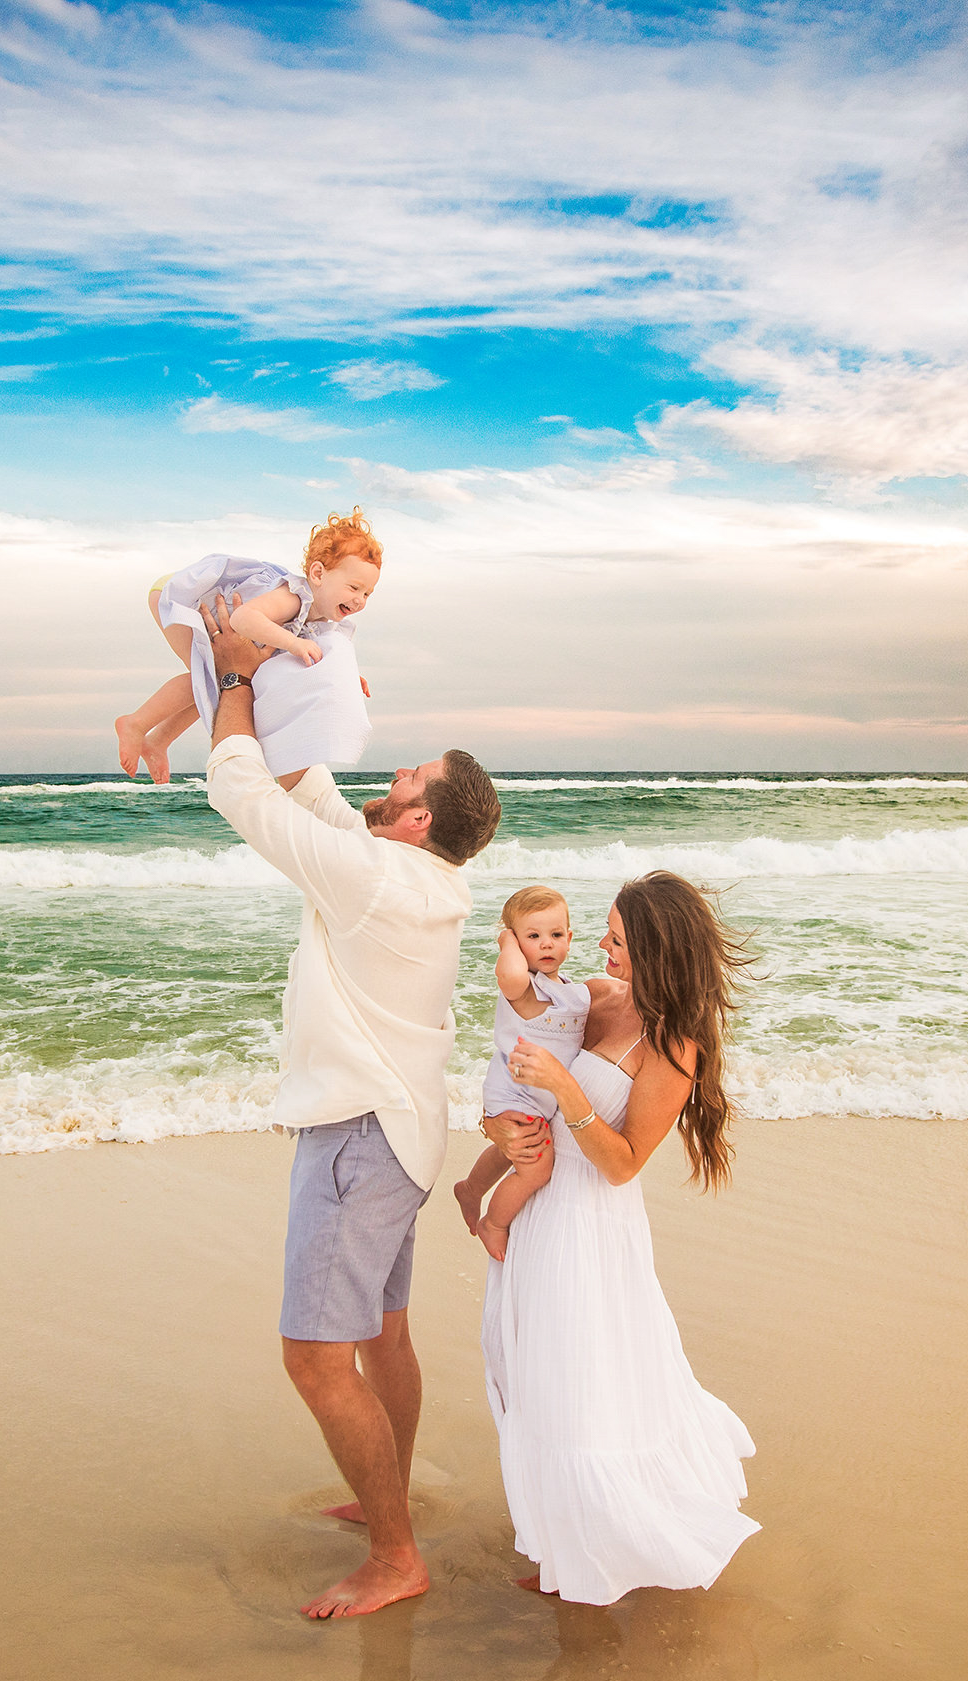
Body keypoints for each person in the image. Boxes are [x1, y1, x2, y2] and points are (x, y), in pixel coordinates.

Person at [199, 592, 501, 1621]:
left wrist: (238, 674)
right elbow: (313, 788)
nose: (393, 778)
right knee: (384, 1338)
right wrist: (315, 694)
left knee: (317, 1358)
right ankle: (391, 1500)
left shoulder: (374, 878)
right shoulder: (419, 877)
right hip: (404, 1137)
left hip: (358, 1142)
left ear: (419, 818)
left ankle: (396, 1554)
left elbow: (243, 789)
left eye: (408, 777)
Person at [480, 871, 760, 1606]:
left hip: (590, 1229)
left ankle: (600, 1554)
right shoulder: (591, 999)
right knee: (533, 1379)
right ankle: (564, 1543)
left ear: (658, 951)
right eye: (602, 932)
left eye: (618, 941)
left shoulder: (674, 1045)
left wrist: (571, 1094)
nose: (600, 949)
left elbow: (623, 1163)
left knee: (584, 1395)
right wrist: (497, 1128)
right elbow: (515, 1067)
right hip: (541, 1208)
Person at [115, 508, 380, 785]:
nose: (360, 600)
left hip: (201, 607)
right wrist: (293, 643)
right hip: (183, 596)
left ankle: (158, 740)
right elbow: (243, 618)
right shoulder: (294, 597)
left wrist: (349, 678)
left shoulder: (324, 621)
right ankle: (135, 723)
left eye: (367, 593)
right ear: (317, 574)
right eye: (353, 587)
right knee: (206, 680)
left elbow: (327, 655)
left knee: (211, 689)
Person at [453, 886, 589, 1262]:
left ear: (570, 938)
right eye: (533, 936)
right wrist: (506, 941)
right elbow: (509, 970)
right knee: (536, 1167)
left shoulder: (570, 991)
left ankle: (470, 1188)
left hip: (537, 1099)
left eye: (556, 935)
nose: (546, 944)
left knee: (506, 1153)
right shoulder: (522, 987)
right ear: (514, 941)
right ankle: (493, 1224)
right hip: (513, 1095)